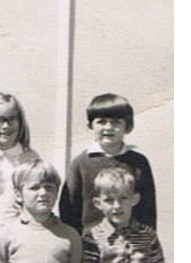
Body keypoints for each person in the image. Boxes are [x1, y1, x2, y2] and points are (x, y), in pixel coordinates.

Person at [59, 93, 157, 233]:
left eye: (116, 122)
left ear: (127, 127)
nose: (108, 127)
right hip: (90, 247)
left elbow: (148, 210)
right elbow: (68, 210)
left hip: (130, 246)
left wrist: (146, 244)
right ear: (91, 126)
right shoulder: (81, 163)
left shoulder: (138, 163)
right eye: (101, 121)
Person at [0, 93, 40, 230]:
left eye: (12, 119)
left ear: (20, 121)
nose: (5, 126)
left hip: (19, 230)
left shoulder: (30, 158)